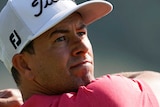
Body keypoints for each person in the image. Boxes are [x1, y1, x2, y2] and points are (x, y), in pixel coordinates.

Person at [0, 0, 159, 107]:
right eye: (61, 39)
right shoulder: (102, 96)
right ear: (24, 64)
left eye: (81, 33)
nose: (82, 46)